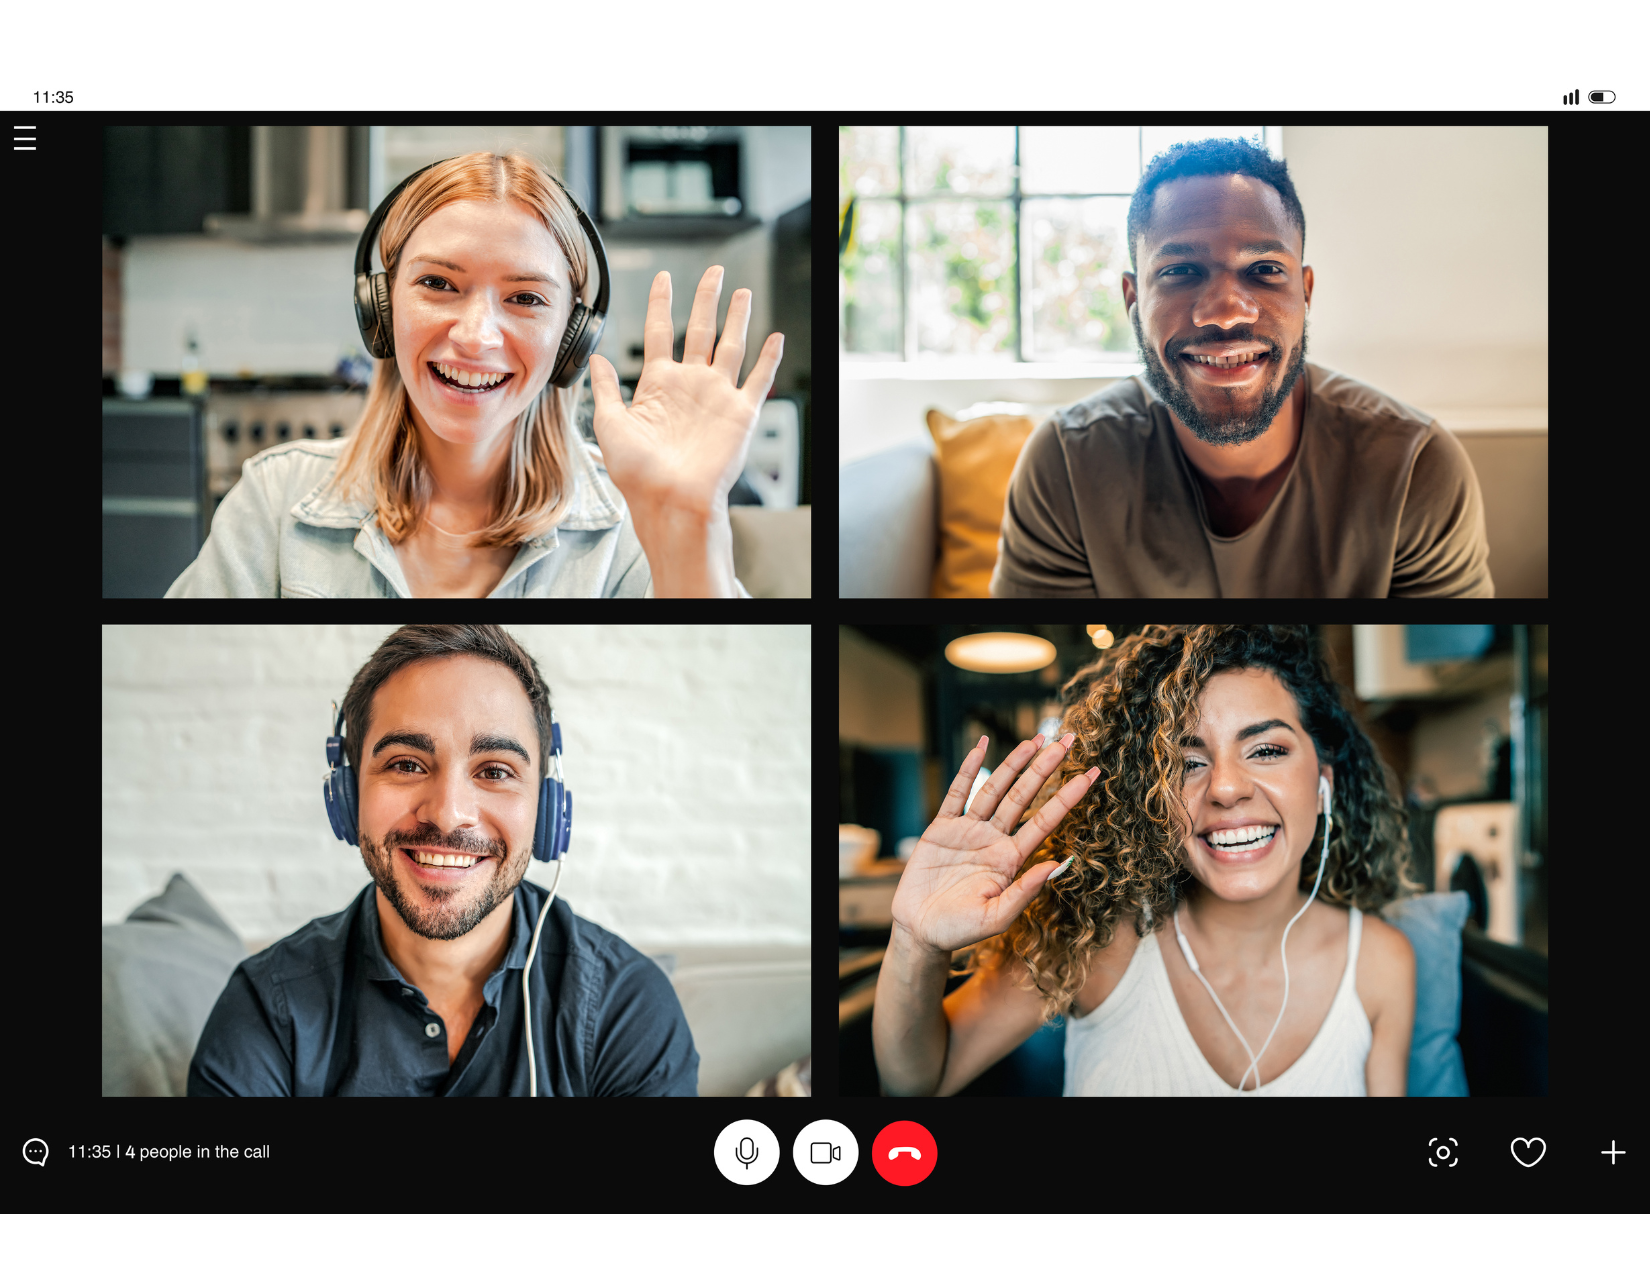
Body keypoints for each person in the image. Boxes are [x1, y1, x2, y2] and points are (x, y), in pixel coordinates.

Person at [165, 151, 782, 597]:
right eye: (437, 284)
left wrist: (689, 521)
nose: (476, 336)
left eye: (526, 298)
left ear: (573, 336)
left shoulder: (629, 523)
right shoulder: (274, 504)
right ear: (379, 308)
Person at [873, 625, 1416, 1096]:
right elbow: (919, 1081)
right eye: (1186, 762)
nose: (1225, 787)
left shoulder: (1380, 962)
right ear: (1147, 796)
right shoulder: (1100, 940)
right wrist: (915, 942)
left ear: (1324, 781)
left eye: (1266, 750)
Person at [188, 624, 698, 1096]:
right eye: (406, 764)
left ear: (548, 808)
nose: (449, 815)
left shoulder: (625, 1007)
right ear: (347, 797)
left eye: (495, 771)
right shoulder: (264, 1010)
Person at [990, 138, 1492, 598]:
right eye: (1180, 271)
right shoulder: (1065, 466)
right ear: (1133, 299)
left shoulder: (1416, 467)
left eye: (1265, 271)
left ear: (1306, 292)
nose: (1226, 311)